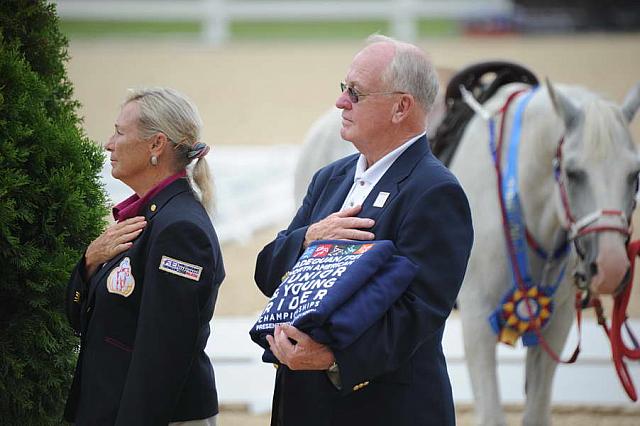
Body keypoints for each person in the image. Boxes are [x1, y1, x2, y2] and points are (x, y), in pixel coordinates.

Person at [254, 35, 473, 426]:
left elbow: (418, 312)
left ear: (400, 107)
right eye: (344, 89)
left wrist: (333, 359)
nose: (341, 102)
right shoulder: (329, 179)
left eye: (355, 93)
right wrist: (309, 237)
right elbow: (268, 274)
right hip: (303, 404)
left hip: (382, 408)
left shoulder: (435, 191)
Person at [64, 88, 225, 426]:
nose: (109, 143)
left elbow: (163, 355)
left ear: (156, 145)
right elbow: (82, 319)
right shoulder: (146, 218)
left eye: (120, 132)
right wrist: (89, 262)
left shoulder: (179, 229)